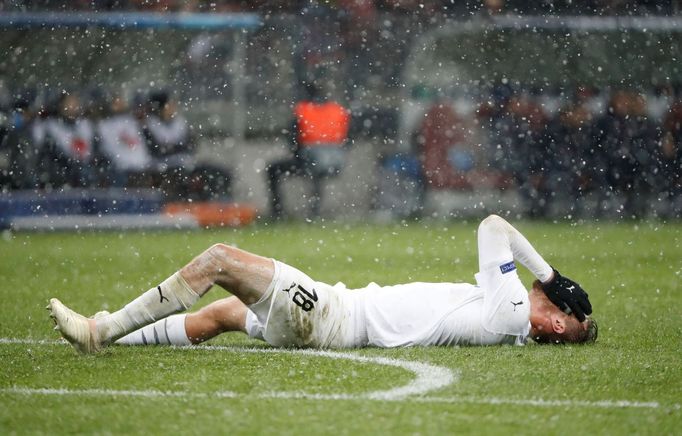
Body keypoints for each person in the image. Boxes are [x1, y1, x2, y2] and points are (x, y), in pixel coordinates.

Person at [49, 215, 596, 354]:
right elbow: (497, 249)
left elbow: (493, 227)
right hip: (336, 314)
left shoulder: (511, 312)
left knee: (219, 259)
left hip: (331, 317)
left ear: (551, 320)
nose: (561, 295)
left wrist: (549, 275)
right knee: (220, 316)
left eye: (566, 309)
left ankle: (103, 330)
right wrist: (553, 287)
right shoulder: (505, 308)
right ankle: (118, 333)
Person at [266, 83, 350, 219]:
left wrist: (298, 153)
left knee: (273, 170)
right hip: (336, 161)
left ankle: (278, 212)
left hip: (311, 160)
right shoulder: (338, 111)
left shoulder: (303, 111)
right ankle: (314, 212)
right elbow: (347, 139)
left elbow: (293, 140)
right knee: (316, 174)